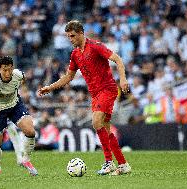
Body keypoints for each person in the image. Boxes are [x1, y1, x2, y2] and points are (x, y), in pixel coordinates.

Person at [38, 20, 131, 176]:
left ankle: (109, 162)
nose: (71, 39)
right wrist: (50, 87)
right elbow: (69, 77)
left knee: (96, 121)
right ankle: (123, 164)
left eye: (73, 36)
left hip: (107, 89)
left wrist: (123, 79)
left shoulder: (95, 46)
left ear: (81, 33)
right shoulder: (75, 54)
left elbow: (118, 60)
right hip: (95, 94)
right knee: (106, 128)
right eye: (68, 37)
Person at [0, 56, 37, 178]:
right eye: (4, 70)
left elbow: (24, 79)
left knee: (30, 131)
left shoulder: (18, 74)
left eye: (10, 69)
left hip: (15, 105)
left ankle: (26, 159)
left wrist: (23, 90)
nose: (7, 73)